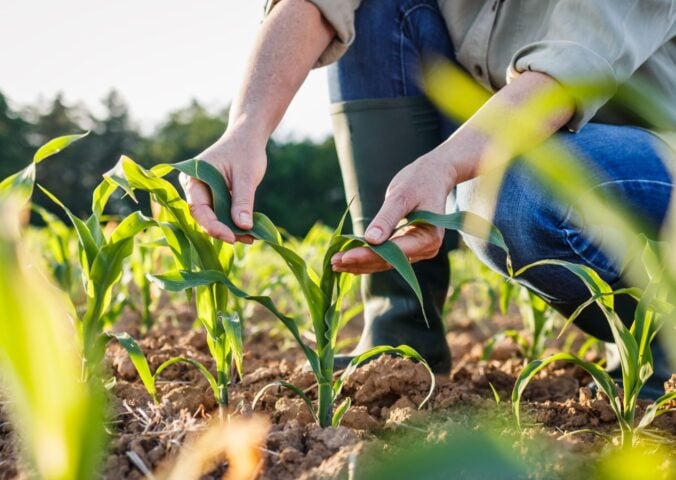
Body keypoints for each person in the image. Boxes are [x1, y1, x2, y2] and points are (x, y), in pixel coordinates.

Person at [181, 0, 675, 396]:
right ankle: (401, 336)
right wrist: (247, 127)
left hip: (652, 157)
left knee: (513, 189)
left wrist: (445, 165)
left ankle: (662, 342)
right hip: (529, 133)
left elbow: (559, 77)